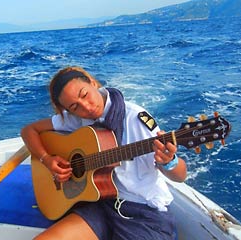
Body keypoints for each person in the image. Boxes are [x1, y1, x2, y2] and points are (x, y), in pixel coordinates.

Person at [21, 66, 187, 240]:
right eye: (75, 106)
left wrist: (170, 161)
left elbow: (180, 176)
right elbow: (29, 130)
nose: (86, 107)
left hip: (143, 214)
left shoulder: (135, 118)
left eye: (84, 95)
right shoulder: (78, 119)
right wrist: (47, 159)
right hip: (100, 205)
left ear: (93, 83)